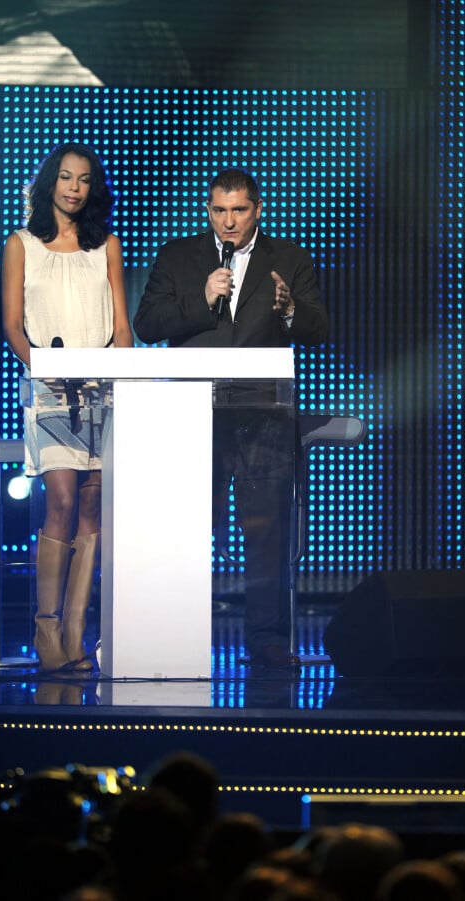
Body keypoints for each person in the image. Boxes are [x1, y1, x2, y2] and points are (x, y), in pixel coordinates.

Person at [133, 168, 328, 668]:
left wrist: (288, 311)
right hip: (191, 412)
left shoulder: (288, 258)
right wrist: (200, 298)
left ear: (258, 209)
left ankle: (266, 638)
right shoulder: (180, 256)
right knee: (187, 524)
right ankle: (173, 630)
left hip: (263, 414)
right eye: (219, 210)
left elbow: (320, 327)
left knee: (264, 528)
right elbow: (147, 323)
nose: (229, 221)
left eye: (239, 210)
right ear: (208, 209)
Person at [2, 141, 133, 673]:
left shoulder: (106, 246)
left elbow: (121, 325)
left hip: (104, 388)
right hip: (50, 387)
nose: (74, 187)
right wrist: (41, 367)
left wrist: (127, 378)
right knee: (59, 498)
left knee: (93, 506)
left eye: (82, 179)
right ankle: (47, 626)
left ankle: (77, 630)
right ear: (49, 183)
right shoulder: (22, 244)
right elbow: (12, 324)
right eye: (65, 177)